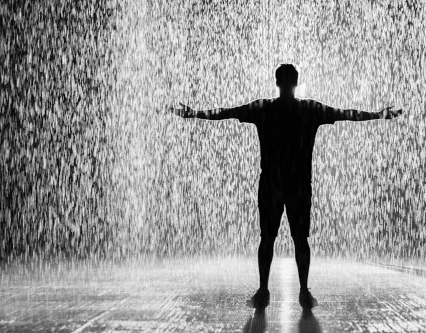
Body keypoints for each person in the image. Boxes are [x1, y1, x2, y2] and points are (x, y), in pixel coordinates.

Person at [168, 64, 403, 309]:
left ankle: (263, 291)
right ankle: (303, 292)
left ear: (277, 82)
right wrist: (378, 114)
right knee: (300, 239)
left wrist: (194, 113)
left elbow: (225, 112)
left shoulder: (264, 108)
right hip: (299, 184)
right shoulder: (310, 109)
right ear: (296, 82)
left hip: (271, 183)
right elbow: (347, 114)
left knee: (267, 238)